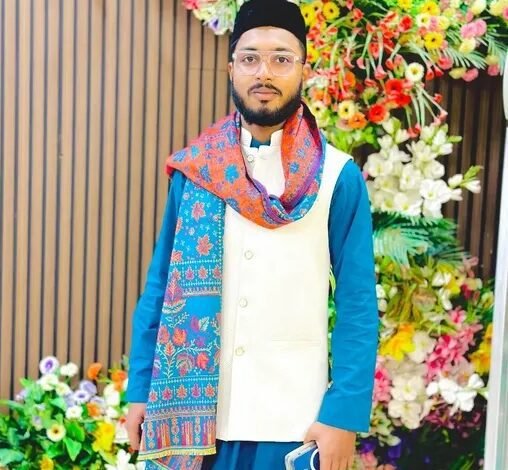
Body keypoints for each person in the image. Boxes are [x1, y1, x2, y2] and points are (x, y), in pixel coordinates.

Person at [125, 1, 379, 469]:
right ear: (231, 69)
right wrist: (140, 388)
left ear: (303, 70)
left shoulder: (336, 176)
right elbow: (160, 286)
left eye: (281, 58)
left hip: (292, 421)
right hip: (192, 419)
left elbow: (358, 303)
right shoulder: (197, 172)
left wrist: (343, 414)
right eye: (250, 58)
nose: (264, 72)